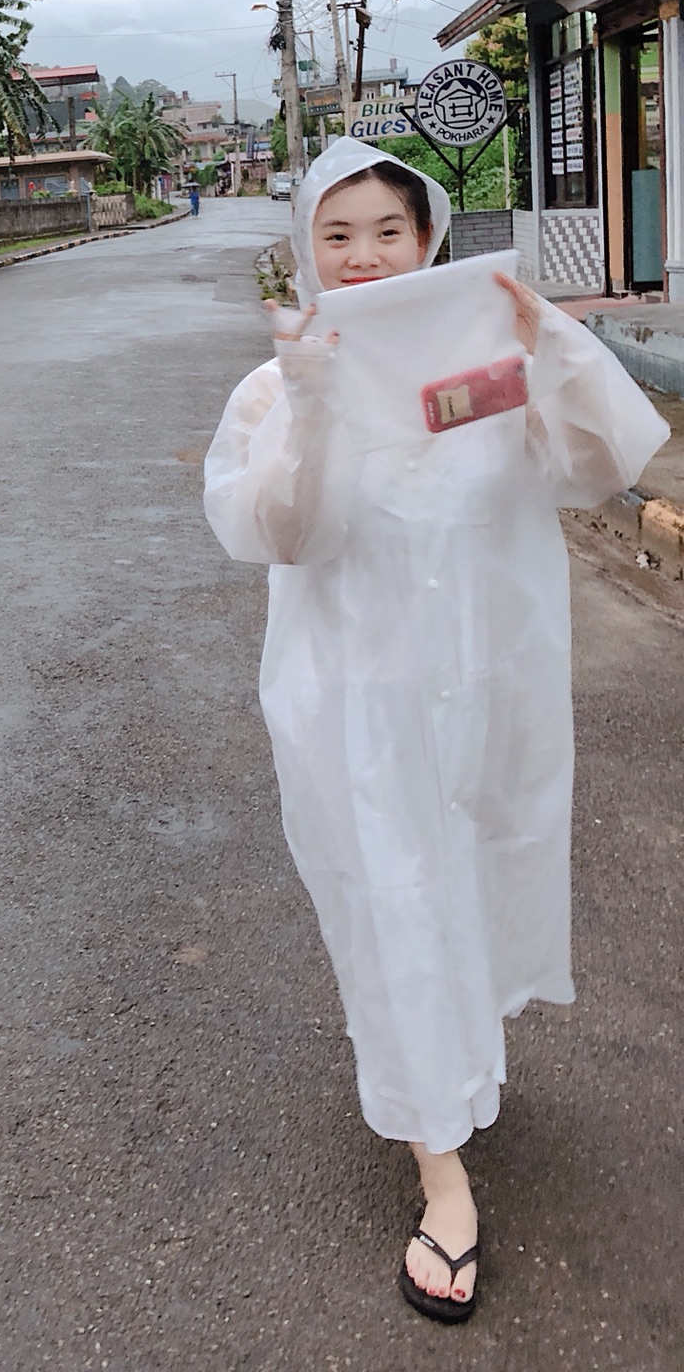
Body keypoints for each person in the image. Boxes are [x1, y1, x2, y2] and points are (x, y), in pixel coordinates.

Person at [203, 137, 667, 1325]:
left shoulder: (489, 381)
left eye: (389, 233)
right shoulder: (273, 389)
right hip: (353, 709)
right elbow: (283, 533)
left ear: (430, 239)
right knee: (396, 899)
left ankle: (461, 1066)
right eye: (336, 235)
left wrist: (551, 346)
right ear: (306, 248)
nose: (363, 259)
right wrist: (313, 411)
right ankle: (441, 1174)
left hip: (488, 689)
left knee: (476, 875)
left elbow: (609, 461)